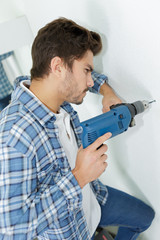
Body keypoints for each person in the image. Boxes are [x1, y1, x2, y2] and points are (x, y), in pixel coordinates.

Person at [0, 18, 154, 240]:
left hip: (94, 196)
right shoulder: (15, 136)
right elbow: (11, 231)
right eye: (87, 71)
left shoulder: (44, 88)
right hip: (70, 229)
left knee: (144, 217)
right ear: (58, 67)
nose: (91, 81)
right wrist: (79, 176)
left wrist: (106, 90)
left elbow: (82, 79)